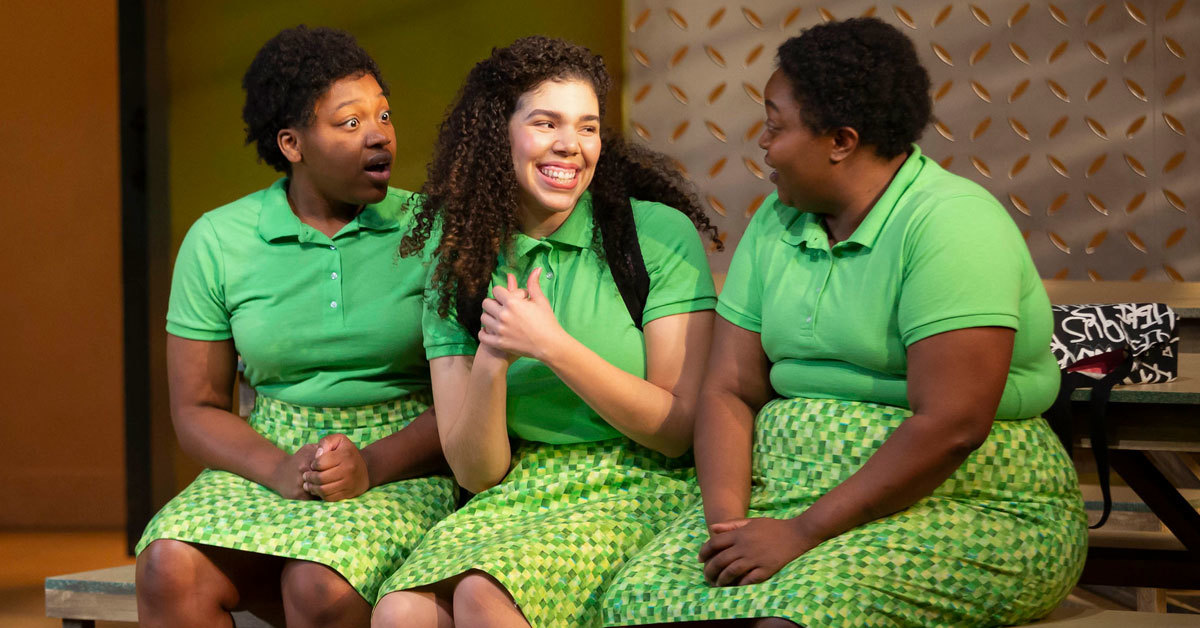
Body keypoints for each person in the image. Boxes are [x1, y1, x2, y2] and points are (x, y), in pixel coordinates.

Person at [602, 17, 1087, 628]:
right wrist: (730, 523)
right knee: (634, 604)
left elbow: (953, 423)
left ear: (841, 140)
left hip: (961, 501)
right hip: (783, 496)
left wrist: (802, 532)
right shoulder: (777, 223)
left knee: (796, 615)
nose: (764, 144)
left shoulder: (951, 225)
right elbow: (730, 387)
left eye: (776, 127)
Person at [370, 36, 722, 628]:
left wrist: (551, 346)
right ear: (497, 134)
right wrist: (494, 357)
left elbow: (677, 431)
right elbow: (477, 473)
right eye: (546, 122)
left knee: (482, 596)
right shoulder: (461, 253)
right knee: (402, 612)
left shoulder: (653, 236)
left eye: (587, 127)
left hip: (640, 482)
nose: (571, 145)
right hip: (523, 486)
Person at [135, 26, 456, 628]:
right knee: (166, 567)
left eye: (383, 115)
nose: (379, 134)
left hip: (407, 460)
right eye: (350, 122)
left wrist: (371, 464)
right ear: (292, 143)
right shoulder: (219, 240)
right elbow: (198, 407)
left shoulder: (433, 230)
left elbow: (472, 398)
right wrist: (281, 468)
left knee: (317, 584)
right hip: (273, 457)